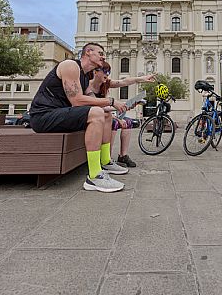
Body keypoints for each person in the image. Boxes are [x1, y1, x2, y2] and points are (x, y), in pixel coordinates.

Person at [29, 42, 129, 193]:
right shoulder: (70, 66)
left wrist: (117, 108)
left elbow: (93, 101)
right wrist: (112, 101)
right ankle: (94, 176)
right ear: (88, 52)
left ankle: (105, 161)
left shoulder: (84, 77)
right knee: (96, 113)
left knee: (106, 115)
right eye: (100, 53)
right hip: (43, 116)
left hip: (61, 114)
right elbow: (77, 101)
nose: (103, 57)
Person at [90, 61, 155, 167]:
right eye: (105, 71)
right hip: (95, 115)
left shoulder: (106, 84)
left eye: (109, 72)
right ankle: (107, 158)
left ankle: (123, 156)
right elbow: (96, 106)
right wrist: (117, 110)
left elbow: (124, 82)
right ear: (95, 72)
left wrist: (142, 79)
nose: (107, 74)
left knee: (128, 123)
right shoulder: (89, 86)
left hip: (105, 113)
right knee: (114, 123)